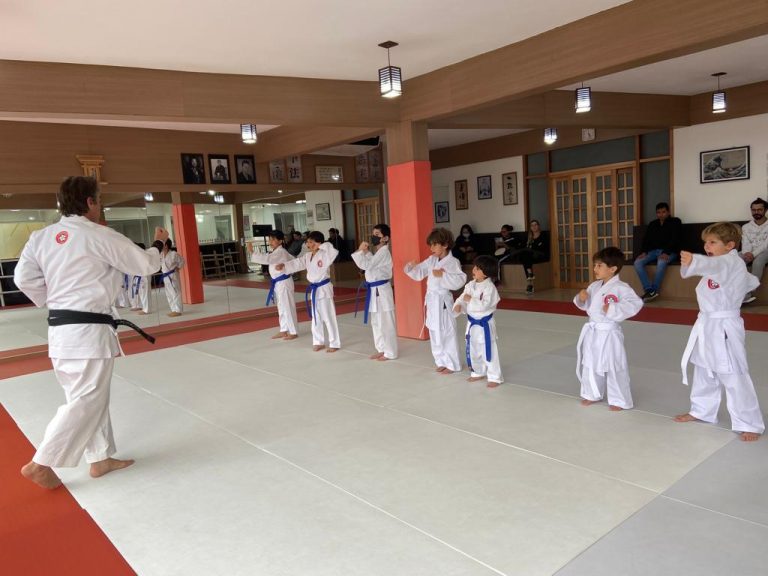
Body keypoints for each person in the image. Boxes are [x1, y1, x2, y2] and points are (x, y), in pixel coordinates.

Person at [13, 176, 169, 489]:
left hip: (60, 329)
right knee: (88, 400)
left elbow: (23, 279)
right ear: (89, 203)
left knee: (85, 396)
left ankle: (99, 458)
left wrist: (55, 300)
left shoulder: (40, 238)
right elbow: (143, 264)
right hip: (87, 331)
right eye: (99, 199)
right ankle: (42, 462)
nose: (100, 205)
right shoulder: (98, 235)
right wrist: (158, 244)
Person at [675, 222, 765, 441]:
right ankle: (702, 410)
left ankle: (750, 422)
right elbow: (747, 280)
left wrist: (695, 261)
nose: (707, 246)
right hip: (707, 324)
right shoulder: (723, 264)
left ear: (730, 245)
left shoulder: (730, 262)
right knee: (704, 369)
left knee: (733, 373)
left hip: (724, 325)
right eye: (705, 242)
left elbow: (718, 267)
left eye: (713, 242)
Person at [574, 246, 643, 410]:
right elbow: (586, 305)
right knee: (590, 362)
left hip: (609, 332)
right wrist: (581, 298)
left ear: (612, 269)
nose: (595, 268)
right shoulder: (594, 286)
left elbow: (636, 304)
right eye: (595, 265)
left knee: (614, 365)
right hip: (593, 331)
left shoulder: (622, 288)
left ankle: (619, 399)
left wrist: (613, 309)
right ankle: (591, 393)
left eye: (599, 265)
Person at [404, 228, 467, 374]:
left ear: (445, 245)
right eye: (430, 245)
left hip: (443, 301)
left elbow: (460, 280)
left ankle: (452, 364)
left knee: (447, 331)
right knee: (434, 330)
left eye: (434, 244)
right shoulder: (431, 259)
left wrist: (443, 276)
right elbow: (420, 272)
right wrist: (411, 267)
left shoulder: (453, 262)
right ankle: (441, 360)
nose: (431, 248)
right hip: (432, 300)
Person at [276, 231, 341, 352]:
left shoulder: (325, 254)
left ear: (319, 242)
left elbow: (334, 252)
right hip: (314, 289)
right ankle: (318, 341)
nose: (308, 244)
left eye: (311, 242)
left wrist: (321, 245)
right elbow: (297, 263)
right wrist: (284, 266)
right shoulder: (307, 256)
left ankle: (334, 343)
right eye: (308, 242)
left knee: (328, 316)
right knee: (316, 317)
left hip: (324, 288)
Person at [453, 255, 503, 387]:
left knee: (489, 350)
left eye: (477, 268)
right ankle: (477, 372)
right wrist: (459, 305)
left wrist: (470, 300)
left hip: (485, 324)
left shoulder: (490, 288)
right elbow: (462, 297)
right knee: (473, 349)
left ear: (486, 273)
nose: (473, 270)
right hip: (472, 323)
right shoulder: (470, 285)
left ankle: (494, 377)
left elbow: (485, 305)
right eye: (474, 267)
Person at [351, 223, 397, 361]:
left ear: (386, 238)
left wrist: (360, 252)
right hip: (374, 290)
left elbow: (367, 265)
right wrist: (366, 253)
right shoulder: (378, 253)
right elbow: (372, 264)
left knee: (386, 322)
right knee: (376, 322)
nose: (374, 237)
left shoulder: (384, 252)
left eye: (377, 235)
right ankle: (382, 348)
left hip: (382, 290)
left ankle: (390, 352)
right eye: (373, 234)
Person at [250, 230, 298, 340]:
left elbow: (267, 259)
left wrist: (252, 252)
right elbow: (293, 260)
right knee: (281, 306)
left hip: (284, 282)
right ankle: (284, 329)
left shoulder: (281, 252)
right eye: (269, 239)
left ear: (280, 241)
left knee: (287, 306)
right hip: (279, 283)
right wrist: (286, 266)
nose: (270, 242)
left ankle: (293, 331)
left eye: (273, 239)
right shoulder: (278, 252)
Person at [633, 202, 683, 301]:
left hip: (670, 251)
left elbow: (675, 239)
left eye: (663, 212)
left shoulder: (675, 221)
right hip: (653, 251)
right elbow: (646, 239)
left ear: (668, 212)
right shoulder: (653, 224)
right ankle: (649, 290)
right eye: (658, 212)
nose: (661, 214)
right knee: (637, 262)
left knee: (661, 262)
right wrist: (644, 252)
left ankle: (654, 290)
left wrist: (666, 252)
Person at [506, 219, 550, 294]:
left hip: (540, 255)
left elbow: (543, 248)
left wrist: (531, 249)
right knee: (525, 256)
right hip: (530, 256)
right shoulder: (528, 236)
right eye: (532, 225)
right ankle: (530, 279)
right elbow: (521, 245)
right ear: (530, 227)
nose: (534, 227)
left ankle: (530, 280)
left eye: (535, 225)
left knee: (525, 253)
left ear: (538, 226)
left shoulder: (543, 235)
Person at [739, 197, 768, 304]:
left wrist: (753, 254)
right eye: (754, 210)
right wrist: (746, 252)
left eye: (759, 209)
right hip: (749, 251)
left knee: (758, 261)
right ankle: (733, 292)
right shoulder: (746, 227)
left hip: (766, 251)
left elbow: (766, 244)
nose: (756, 212)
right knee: (735, 258)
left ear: (765, 210)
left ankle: (747, 294)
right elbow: (745, 242)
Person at [161, 238, 184, 317]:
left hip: (172, 275)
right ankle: (173, 309)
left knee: (175, 292)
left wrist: (178, 268)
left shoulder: (173, 254)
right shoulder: (161, 255)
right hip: (165, 276)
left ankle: (178, 310)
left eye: (162, 244)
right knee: (169, 294)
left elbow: (182, 261)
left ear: (166, 246)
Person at [130, 242, 151, 315]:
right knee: (142, 293)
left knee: (145, 293)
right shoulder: (138, 257)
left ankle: (146, 309)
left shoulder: (145, 257)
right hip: (139, 276)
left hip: (144, 277)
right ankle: (144, 307)